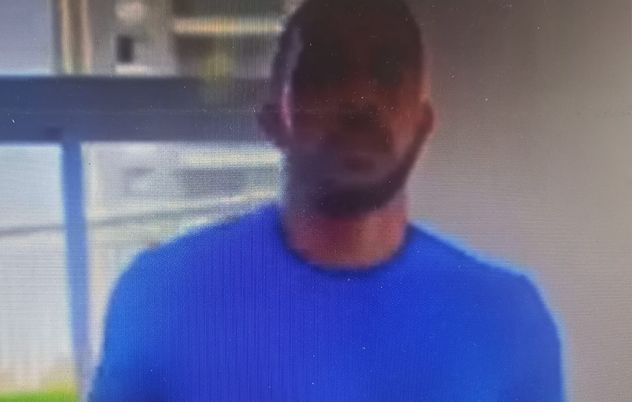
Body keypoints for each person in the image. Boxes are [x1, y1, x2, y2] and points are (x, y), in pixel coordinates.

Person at [89, 0, 565, 400]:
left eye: (388, 73)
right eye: (324, 71)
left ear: (422, 127)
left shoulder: (508, 317)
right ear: (273, 120)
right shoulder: (162, 295)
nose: (359, 97)